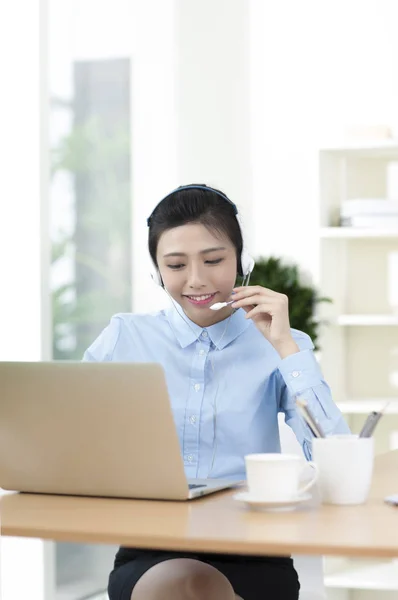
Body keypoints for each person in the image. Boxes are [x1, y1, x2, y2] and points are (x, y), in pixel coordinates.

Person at [83, 184, 350, 600]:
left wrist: (285, 349)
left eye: (213, 260)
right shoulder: (125, 337)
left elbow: (337, 462)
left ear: (242, 262)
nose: (196, 280)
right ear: (156, 271)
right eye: (175, 265)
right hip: (151, 546)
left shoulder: (282, 343)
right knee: (185, 585)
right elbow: (72, 440)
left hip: (254, 547)